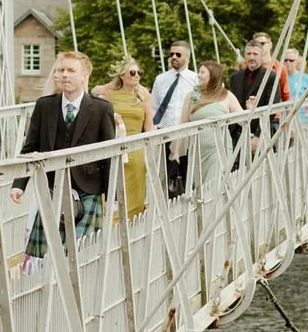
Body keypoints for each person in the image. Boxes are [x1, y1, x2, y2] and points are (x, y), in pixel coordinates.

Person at [12, 50, 118, 257]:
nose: (65, 75)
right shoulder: (44, 106)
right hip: (53, 188)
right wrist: (19, 185)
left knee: (80, 253)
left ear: (85, 76)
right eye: (61, 70)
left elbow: (109, 155)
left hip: (89, 189)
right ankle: (53, 289)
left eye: (71, 70)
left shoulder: (101, 109)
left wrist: (113, 197)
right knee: (47, 255)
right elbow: (30, 147)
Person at [94, 57, 153, 218]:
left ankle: (133, 224)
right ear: (122, 75)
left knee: (136, 190)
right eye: (132, 72)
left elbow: (148, 123)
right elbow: (93, 93)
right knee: (113, 187)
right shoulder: (110, 94)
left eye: (139, 73)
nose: (136, 76)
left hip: (136, 148)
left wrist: (152, 148)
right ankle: (112, 227)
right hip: (116, 146)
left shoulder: (143, 94)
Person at [149, 40, 199, 198]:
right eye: (171, 54)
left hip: (188, 134)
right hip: (166, 133)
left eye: (178, 54)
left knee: (187, 174)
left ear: (188, 57)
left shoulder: (196, 79)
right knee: (165, 176)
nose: (174, 57)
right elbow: (154, 106)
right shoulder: (160, 79)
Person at [188, 61, 243, 193]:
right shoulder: (192, 96)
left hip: (218, 148)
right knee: (199, 188)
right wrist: (177, 151)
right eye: (199, 72)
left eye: (202, 72)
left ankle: (216, 213)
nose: (199, 75)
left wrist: (250, 109)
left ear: (213, 75)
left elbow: (242, 120)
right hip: (197, 148)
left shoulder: (226, 96)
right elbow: (183, 124)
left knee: (214, 187)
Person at [227, 35, 281, 160]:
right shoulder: (235, 77)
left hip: (261, 132)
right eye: (249, 53)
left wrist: (258, 135)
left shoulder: (271, 77)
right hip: (237, 133)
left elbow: (271, 109)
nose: (252, 57)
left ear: (261, 56)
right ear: (245, 55)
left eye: (255, 54)